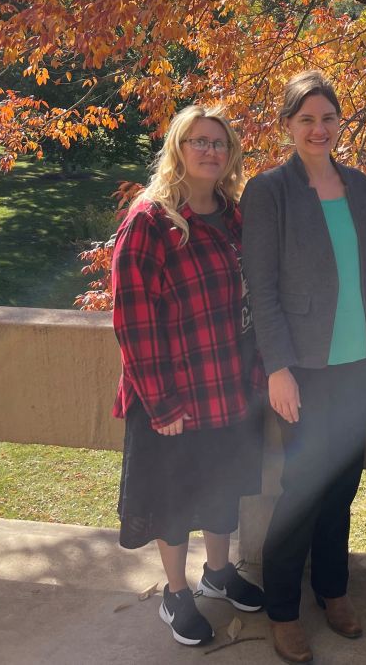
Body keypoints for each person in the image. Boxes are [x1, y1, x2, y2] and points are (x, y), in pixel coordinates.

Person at [111, 104, 265, 648]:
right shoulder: (150, 221)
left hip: (227, 385)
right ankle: (176, 593)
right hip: (173, 396)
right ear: (178, 147)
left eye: (219, 144)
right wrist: (162, 403)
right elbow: (132, 320)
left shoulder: (234, 214)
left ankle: (218, 574)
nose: (210, 151)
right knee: (175, 499)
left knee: (222, 489)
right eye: (199, 141)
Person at [241, 70, 366, 665]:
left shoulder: (360, 186)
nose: (318, 129)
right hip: (301, 369)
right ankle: (283, 611)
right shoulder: (268, 190)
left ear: (340, 123)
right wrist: (278, 368)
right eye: (306, 120)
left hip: (355, 363)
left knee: (342, 486)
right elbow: (261, 288)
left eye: (327, 118)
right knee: (300, 488)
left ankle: (332, 589)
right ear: (288, 127)